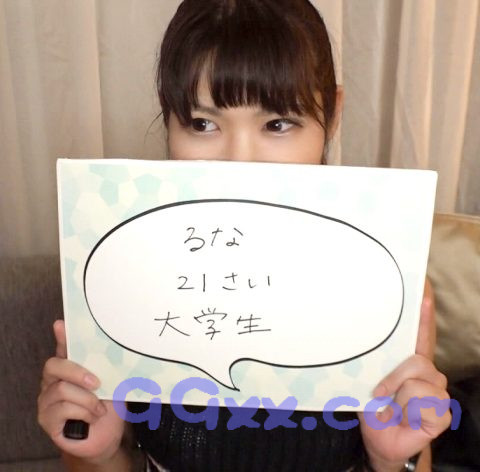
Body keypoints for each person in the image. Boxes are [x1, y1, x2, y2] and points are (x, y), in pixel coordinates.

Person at [37, 1, 452, 470]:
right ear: (168, 117)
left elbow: (409, 452)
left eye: (278, 124)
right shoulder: (117, 269)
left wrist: (392, 460)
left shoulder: (391, 288)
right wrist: (101, 453)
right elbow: (100, 455)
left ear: (332, 115)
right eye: (202, 124)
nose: (239, 162)